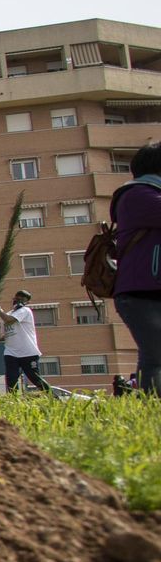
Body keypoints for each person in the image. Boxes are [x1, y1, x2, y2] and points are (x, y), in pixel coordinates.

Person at [111, 141, 161, 395]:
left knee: (154, 355)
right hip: (142, 291)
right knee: (155, 356)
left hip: (149, 288)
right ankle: (152, 406)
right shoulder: (138, 195)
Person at [0, 289, 51, 393]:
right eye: (17, 297)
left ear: (27, 302)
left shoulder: (25, 311)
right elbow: (4, 336)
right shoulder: (7, 314)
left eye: (22, 298)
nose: (18, 299)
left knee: (34, 377)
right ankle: (14, 401)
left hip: (27, 352)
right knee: (11, 379)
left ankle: (52, 397)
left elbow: (9, 320)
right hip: (11, 352)